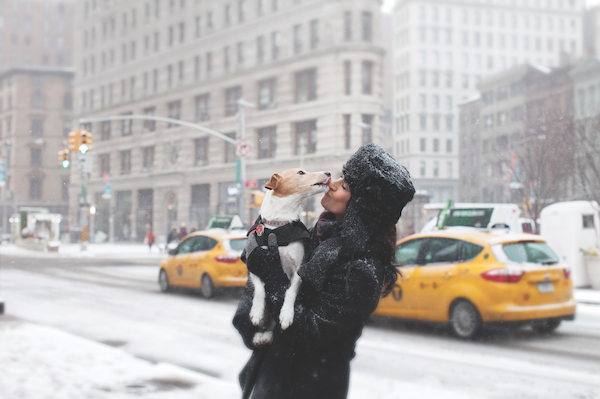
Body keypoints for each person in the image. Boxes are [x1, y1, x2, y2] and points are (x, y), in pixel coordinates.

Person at [233, 143, 415, 399]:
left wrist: (273, 275)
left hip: (308, 388)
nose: (332, 182)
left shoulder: (361, 270)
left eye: (345, 186)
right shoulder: (310, 236)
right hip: (270, 383)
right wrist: (249, 322)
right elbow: (258, 288)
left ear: (361, 207)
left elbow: (305, 336)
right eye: (340, 176)